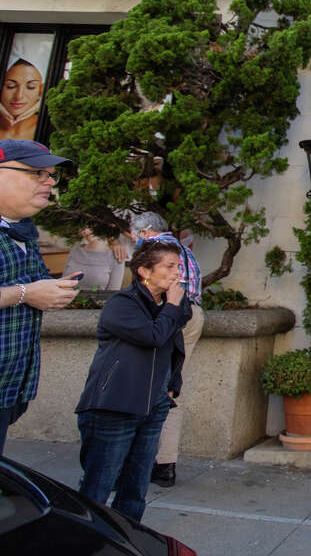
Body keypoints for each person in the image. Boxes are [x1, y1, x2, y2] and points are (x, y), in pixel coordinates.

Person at [75, 239, 190, 522]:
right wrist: (172, 305)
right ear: (144, 271)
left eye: (179, 266)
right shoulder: (121, 304)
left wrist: (172, 386)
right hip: (114, 408)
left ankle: (126, 541)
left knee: (135, 491)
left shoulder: (169, 306)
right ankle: (84, 541)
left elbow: (173, 345)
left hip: (152, 408)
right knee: (97, 489)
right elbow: (153, 336)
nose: (178, 273)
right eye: (170, 266)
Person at [0, 139, 80, 455]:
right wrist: (27, 293)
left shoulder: (22, 232)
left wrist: (53, 290)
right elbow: (23, 292)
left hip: (10, 388)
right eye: (37, 173)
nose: (49, 182)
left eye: (50, 175)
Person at [128, 211, 203, 488]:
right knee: (172, 388)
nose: (136, 239)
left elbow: (141, 284)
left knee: (144, 386)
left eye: (136, 233)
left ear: (145, 231)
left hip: (166, 314)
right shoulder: (184, 250)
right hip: (192, 315)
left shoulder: (152, 247)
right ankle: (165, 465)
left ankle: (136, 459)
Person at [62, 227, 126, 293]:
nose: (85, 232)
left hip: (98, 302)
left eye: (90, 226)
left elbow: (111, 295)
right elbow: (63, 283)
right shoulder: (75, 250)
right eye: (82, 228)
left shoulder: (116, 256)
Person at [0, 59, 44, 141]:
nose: (19, 96)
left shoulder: (49, 128)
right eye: (11, 86)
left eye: (31, 87)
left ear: (41, 90)